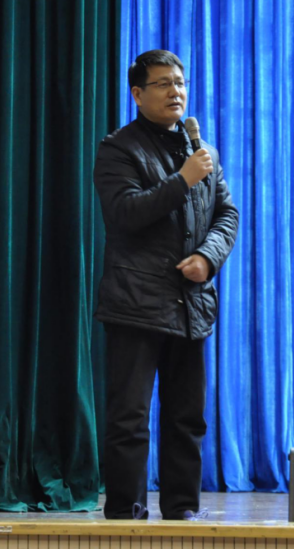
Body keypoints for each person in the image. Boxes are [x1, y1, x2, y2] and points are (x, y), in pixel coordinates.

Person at [93, 49, 239, 521]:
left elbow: (227, 214)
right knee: (130, 418)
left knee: (187, 418)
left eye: (180, 82)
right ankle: (126, 513)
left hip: (191, 303)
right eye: (163, 84)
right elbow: (125, 213)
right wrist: (182, 179)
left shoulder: (200, 151)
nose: (175, 91)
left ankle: (183, 510)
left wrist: (208, 257)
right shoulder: (118, 149)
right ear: (137, 94)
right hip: (135, 302)